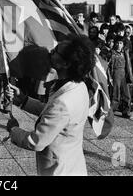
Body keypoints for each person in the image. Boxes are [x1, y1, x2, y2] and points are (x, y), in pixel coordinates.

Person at [6, 36, 95, 176]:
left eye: (55, 51)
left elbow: (37, 141)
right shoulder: (78, 85)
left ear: (65, 64)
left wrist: (13, 130)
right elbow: (52, 112)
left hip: (58, 171)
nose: (50, 52)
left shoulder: (63, 102)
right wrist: (23, 101)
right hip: (72, 164)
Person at [108, 36, 133, 118]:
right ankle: (112, 111)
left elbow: (128, 65)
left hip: (124, 73)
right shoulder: (111, 53)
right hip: (115, 73)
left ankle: (126, 111)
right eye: (117, 43)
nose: (119, 45)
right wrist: (110, 77)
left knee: (126, 94)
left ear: (123, 44)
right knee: (115, 93)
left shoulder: (125, 53)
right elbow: (108, 66)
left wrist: (129, 75)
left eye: (121, 43)